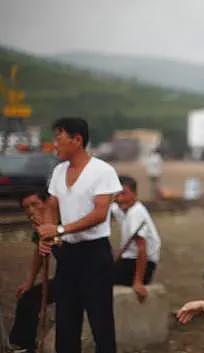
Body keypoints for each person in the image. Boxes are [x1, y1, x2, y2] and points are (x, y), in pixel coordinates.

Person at [37, 117, 122, 353]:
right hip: (67, 254)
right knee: (66, 321)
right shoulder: (58, 171)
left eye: (59, 138)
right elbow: (51, 206)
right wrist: (47, 235)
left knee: (101, 322)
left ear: (77, 139)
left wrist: (61, 229)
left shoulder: (102, 171)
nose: (55, 144)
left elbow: (99, 214)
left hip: (95, 255)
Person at [9, 190, 55, 353]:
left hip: (82, 277)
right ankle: (24, 346)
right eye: (26, 207)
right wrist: (29, 281)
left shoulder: (62, 220)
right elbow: (39, 252)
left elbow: (63, 246)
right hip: (64, 277)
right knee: (28, 298)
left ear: (47, 203)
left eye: (35, 204)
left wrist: (48, 234)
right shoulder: (39, 225)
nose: (31, 210)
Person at [111, 175, 161, 303]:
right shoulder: (124, 208)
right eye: (116, 195)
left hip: (141, 265)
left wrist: (138, 281)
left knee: (96, 276)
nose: (120, 198)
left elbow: (141, 248)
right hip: (130, 260)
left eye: (124, 194)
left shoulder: (136, 213)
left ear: (135, 194)